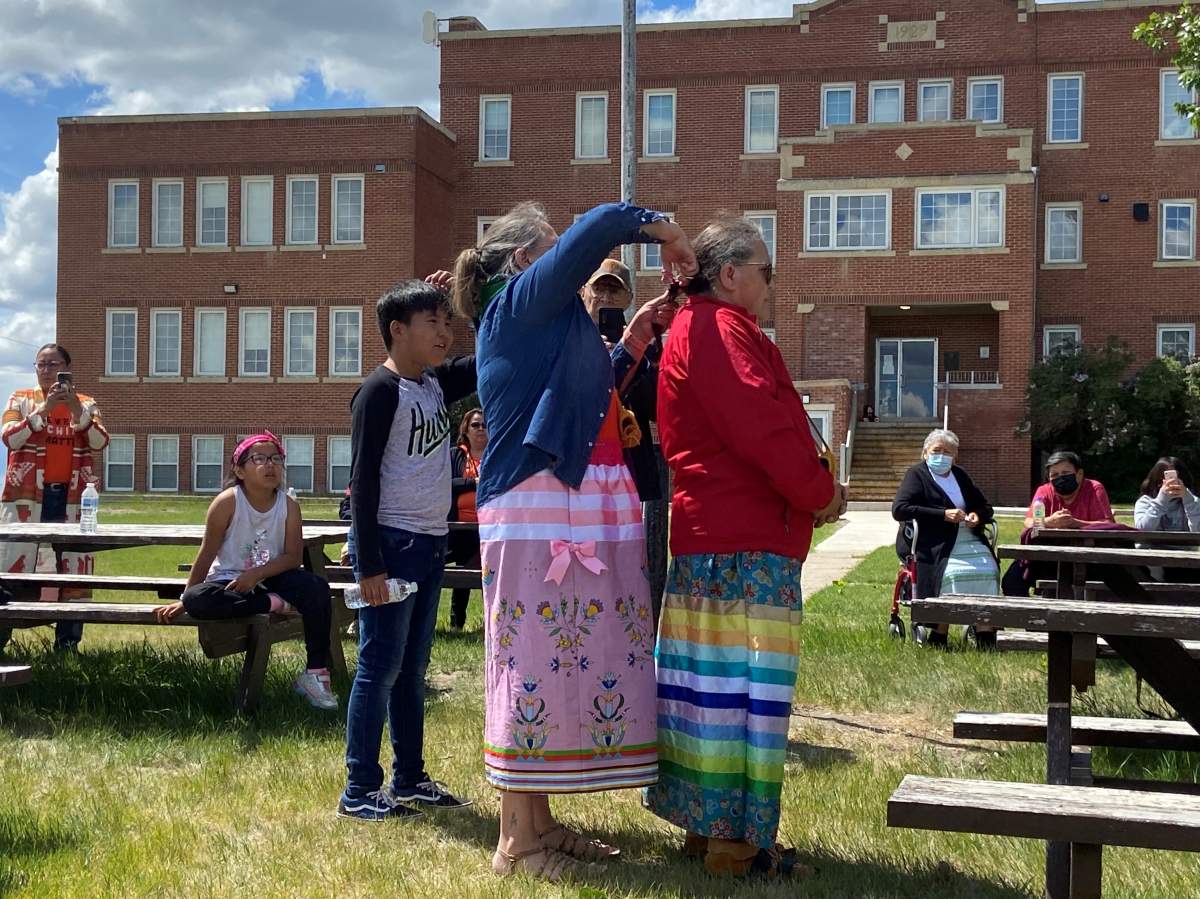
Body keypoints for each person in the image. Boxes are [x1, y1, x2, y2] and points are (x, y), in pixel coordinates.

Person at [451, 200, 694, 881]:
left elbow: (586, 399)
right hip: (535, 508)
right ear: (524, 260)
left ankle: (539, 825)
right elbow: (600, 225)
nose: (568, 263)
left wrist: (637, 337)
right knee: (529, 660)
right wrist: (666, 231)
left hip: (562, 504)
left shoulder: (542, 321)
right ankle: (515, 843)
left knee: (554, 659)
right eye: (552, 250)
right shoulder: (517, 303)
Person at [648, 216, 844, 878]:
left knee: (708, 692)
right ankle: (737, 845)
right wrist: (819, 491)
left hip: (715, 540)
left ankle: (708, 830)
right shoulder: (719, 329)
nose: (772, 282)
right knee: (744, 698)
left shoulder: (699, 327)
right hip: (742, 545)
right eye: (767, 270)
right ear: (730, 274)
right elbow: (763, 426)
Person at [338, 279, 476, 823]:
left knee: (413, 668)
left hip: (430, 541)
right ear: (397, 330)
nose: (444, 334)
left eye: (447, 323)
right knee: (379, 667)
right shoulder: (380, 391)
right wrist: (369, 565)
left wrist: (466, 291)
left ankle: (410, 778)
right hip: (392, 545)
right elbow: (363, 482)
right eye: (432, 323)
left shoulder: (434, 384)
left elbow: (486, 356)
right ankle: (359, 788)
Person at [154, 432, 337, 710]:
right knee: (196, 599)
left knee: (317, 588)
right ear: (240, 471)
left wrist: (256, 574)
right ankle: (274, 604)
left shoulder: (289, 506)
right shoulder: (227, 502)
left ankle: (315, 674)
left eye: (276, 458)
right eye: (259, 459)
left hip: (273, 577)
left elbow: (292, 557)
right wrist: (184, 600)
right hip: (229, 581)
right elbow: (206, 554)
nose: (270, 465)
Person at [0, 343, 109, 653]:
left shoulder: (86, 403)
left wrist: (75, 409)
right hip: (26, 498)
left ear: (67, 369)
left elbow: (100, 441)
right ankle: (2, 640)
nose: (47, 370)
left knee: (74, 572)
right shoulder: (21, 399)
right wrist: (44, 410)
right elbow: (9, 437)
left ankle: (67, 647)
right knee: (12, 567)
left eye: (54, 365)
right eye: (41, 364)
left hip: (74, 498)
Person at [580, 257, 671, 621]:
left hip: (630, 470)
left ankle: (635, 628)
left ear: (630, 298)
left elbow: (657, 408)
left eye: (614, 290)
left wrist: (634, 356)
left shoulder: (647, 348)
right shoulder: (568, 340)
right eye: (599, 288)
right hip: (581, 473)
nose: (605, 297)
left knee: (630, 564)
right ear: (583, 292)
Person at [891, 429, 1000, 649]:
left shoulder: (960, 475)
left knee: (989, 570)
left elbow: (985, 507)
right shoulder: (916, 474)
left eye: (947, 452)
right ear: (925, 452)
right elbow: (900, 509)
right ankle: (939, 634)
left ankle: (985, 633)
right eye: (937, 450)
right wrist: (942, 514)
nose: (941, 456)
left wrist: (977, 516)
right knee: (951, 574)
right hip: (933, 541)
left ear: (955, 456)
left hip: (968, 536)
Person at [447, 408, 487, 630]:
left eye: (484, 425)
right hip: (458, 528)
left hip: (489, 527)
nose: (480, 429)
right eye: (475, 424)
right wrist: (473, 483)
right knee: (466, 559)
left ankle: (489, 622)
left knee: (487, 570)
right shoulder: (456, 456)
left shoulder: (496, 454)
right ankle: (457, 622)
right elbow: (446, 484)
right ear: (466, 429)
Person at [1024, 450, 1115, 529]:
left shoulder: (1094, 489)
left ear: (1079, 474)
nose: (1060, 478)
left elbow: (1108, 524)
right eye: (1055, 475)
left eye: (1065, 473)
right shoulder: (1043, 491)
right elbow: (1028, 522)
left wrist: (1074, 523)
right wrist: (1050, 521)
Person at [1134, 457, 1200, 533]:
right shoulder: (1145, 501)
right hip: (1153, 541)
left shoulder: (1193, 501)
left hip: (1184, 542)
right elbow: (1142, 530)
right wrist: (1160, 502)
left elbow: (1197, 531)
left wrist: (1188, 500)